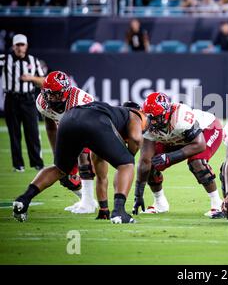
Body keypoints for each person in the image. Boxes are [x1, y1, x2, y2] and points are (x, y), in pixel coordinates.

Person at [13, 101, 149, 224]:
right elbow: (136, 139)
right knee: (126, 164)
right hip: (95, 121)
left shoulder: (111, 117)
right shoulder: (135, 114)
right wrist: (129, 157)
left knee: (60, 169)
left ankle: (24, 199)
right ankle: (119, 212)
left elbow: (100, 168)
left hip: (68, 119)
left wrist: (104, 209)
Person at [133, 92, 224, 218]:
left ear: (166, 113)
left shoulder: (180, 117)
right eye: (149, 118)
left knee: (196, 162)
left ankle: (217, 204)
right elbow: (144, 161)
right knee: (151, 163)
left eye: (155, 118)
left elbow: (199, 145)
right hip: (177, 138)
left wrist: (169, 158)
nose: (151, 122)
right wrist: (138, 194)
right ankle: (160, 203)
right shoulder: (149, 124)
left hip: (207, 130)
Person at [36, 71, 105, 216]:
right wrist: (57, 153)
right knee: (66, 176)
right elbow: (50, 127)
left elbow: (88, 132)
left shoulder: (80, 101)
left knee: (84, 160)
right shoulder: (42, 102)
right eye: (51, 94)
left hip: (90, 131)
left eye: (58, 94)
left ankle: (88, 202)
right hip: (67, 133)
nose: (54, 98)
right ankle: (87, 200)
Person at [0, 34, 45, 172]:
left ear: (26, 46)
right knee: (14, 134)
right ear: (13, 46)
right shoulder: (4, 59)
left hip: (28, 99)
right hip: (11, 99)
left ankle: (37, 163)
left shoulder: (33, 61)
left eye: (22, 44)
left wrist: (31, 78)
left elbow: (43, 81)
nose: (20, 47)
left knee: (32, 132)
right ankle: (18, 165)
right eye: (17, 45)